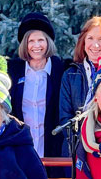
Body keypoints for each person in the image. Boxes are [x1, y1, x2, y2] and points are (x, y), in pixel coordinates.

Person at [7, 11, 66, 159]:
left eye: (41, 40)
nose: (36, 45)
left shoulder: (61, 69)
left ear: (48, 42)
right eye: (31, 41)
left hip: (53, 151)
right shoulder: (12, 71)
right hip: (20, 150)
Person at [58, 16, 101, 141]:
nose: (95, 45)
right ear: (83, 41)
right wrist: (84, 143)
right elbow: (65, 118)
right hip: (76, 146)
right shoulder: (70, 75)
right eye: (90, 38)